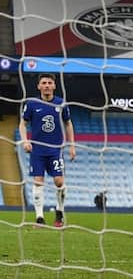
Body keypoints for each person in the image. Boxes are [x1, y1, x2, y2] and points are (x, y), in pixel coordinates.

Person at [18, 73, 76, 227]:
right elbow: (22, 124)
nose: (47, 85)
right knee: (38, 182)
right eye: (44, 83)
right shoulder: (31, 104)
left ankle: (60, 212)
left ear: (54, 86)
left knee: (59, 182)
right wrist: (25, 141)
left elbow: (68, 123)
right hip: (37, 150)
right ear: (39, 86)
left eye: (50, 82)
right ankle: (39, 217)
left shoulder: (61, 103)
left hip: (55, 149)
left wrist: (72, 145)